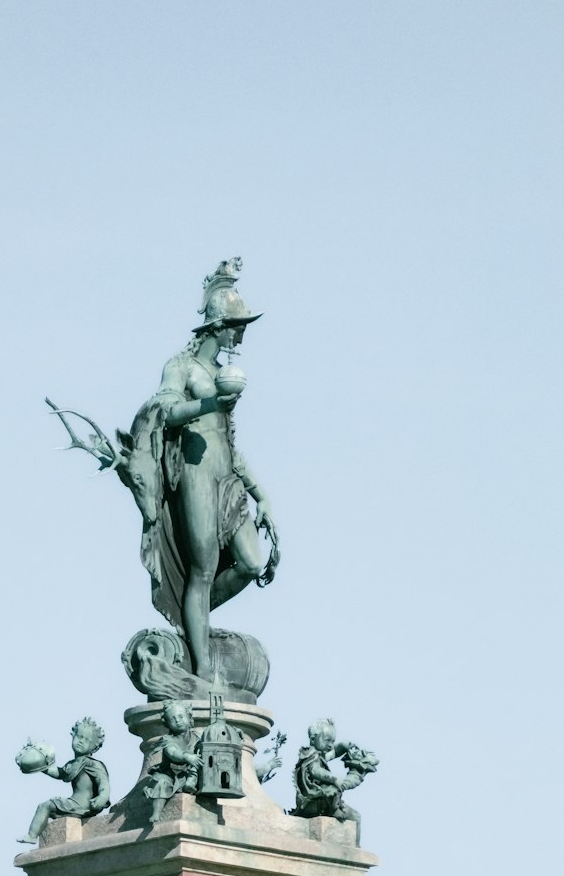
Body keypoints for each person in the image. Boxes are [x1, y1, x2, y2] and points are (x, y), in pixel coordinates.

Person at [119, 258, 279, 676]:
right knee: (203, 570)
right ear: (218, 326)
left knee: (249, 562)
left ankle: (194, 628)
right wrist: (211, 403)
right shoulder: (182, 367)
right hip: (195, 476)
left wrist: (262, 497)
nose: (242, 331)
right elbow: (164, 412)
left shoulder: (222, 371)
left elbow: (229, 443)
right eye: (237, 323)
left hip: (226, 478)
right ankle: (203, 667)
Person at [16, 718, 109, 845]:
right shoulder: (73, 764)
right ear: (73, 736)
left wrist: (102, 797)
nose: (81, 741)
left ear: (94, 747)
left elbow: (103, 783)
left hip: (84, 805)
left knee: (46, 806)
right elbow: (60, 773)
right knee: (48, 807)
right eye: (79, 736)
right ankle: (32, 835)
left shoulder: (93, 764)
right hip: (75, 803)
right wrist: (42, 766)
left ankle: (32, 835)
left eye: (87, 740)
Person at [291, 719, 378, 829]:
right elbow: (315, 770)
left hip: (322, 799)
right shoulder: (309, 754)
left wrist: (342, 746)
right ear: (313, 739)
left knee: (355, 817)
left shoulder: (319, 755)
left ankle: (356, 845)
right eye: (327, 741)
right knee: (332, 789)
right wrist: (333, 778)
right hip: (312, 800)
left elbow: (333, 753)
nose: (330, 745)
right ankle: (334, 809)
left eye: (332, 741)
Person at [143, 699, 201, 824]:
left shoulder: (197, 738)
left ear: (189, 717)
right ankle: (156, 813)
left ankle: (192, 783)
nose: (178, 720)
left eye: (181, 716)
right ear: (167, 724)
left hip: (187, 774)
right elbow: (173, 753)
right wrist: (186, 757)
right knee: (161, 783)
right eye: (173, 719)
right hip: (170, 774)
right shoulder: (167, 739)